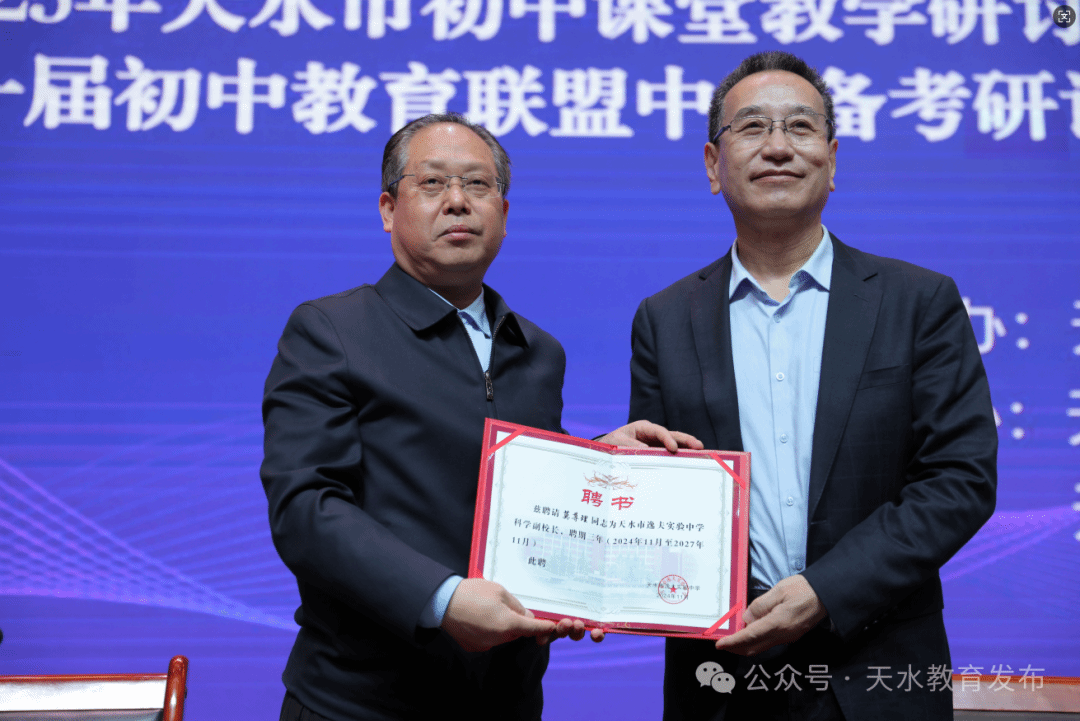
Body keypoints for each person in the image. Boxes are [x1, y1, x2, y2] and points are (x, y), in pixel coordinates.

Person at [261, 113, 699, 721]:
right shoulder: (332, 331)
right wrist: (443, 600)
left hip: (506, 701)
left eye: (477, 184)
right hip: (359, 701)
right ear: (388, 208)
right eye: (433, 183)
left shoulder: (538, 351)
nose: (458, 202)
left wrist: (604, 461)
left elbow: (509, 481)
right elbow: (306, 509)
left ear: (504, 212)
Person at [627, 52, 997, 720]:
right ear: (713, 164)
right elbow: (659, 485)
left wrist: (826, 589)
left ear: (831, 159)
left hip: (879, 672)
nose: (777, 147)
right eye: (752, 127)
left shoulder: (918, 302)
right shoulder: (664, 318)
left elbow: (960, 480)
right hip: (722, 678)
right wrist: (610, 478)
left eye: (799, 126)